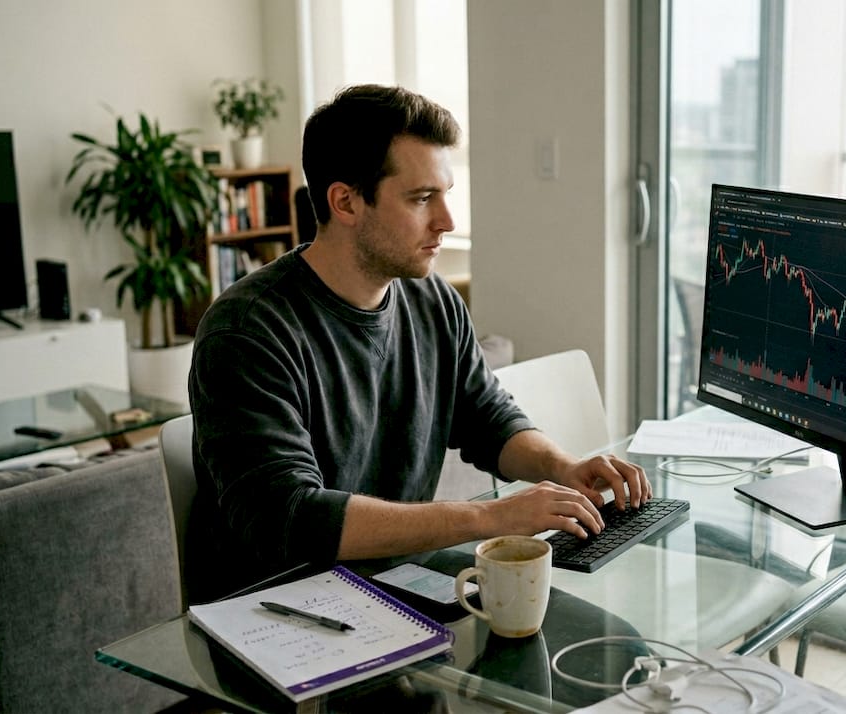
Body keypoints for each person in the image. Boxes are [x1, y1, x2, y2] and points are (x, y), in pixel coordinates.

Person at [188, 84, 649, 599]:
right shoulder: (247, 331)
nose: (447, 222)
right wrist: (490, 516)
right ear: (345, 201)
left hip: (399, 589)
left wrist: (561, 466)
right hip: (281, 611)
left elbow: (489, 421)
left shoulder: (433, 301)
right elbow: (290, 518)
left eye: (444, 194)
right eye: (422, 198)